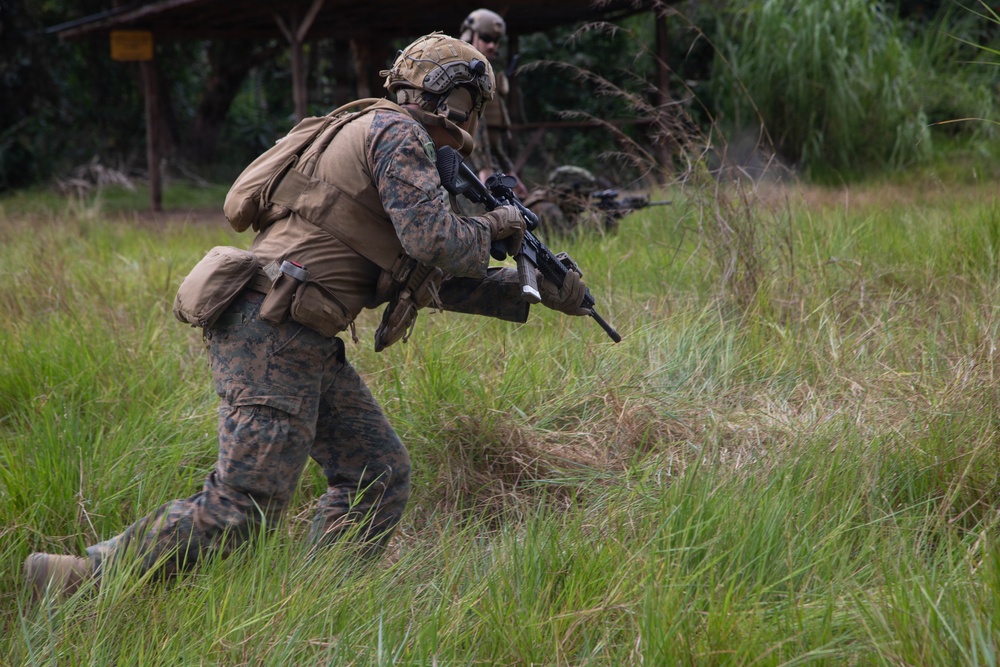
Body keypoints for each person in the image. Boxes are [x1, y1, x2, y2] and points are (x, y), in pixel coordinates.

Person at [24, 32, 591, 600]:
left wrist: (533, 288)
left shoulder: (375, 132)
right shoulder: (398, 133)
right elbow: (433, 239)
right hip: (273, 328)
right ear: (453, 97)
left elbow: (425, 275)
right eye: (471, 103)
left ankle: (315, 601)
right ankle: (74, 579)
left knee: (377, 474)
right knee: (243, 506)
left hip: (294, 331)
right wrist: (493, 229)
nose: (470, 118)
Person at [459, 9, 526, 198]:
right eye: (486, 37)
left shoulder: (488, 76)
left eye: (496, 41)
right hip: (465, 165)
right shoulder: (462, 73)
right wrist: (484, 168)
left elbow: (493, 138)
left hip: (486, 165)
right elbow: (473, 123)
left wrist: (510, 172)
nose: (491, 45)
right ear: (470, 35)